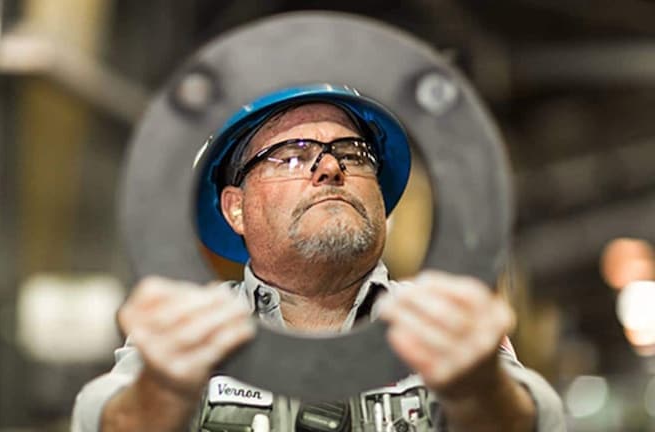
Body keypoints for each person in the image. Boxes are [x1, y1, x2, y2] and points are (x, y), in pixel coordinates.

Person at [72, 84, 565, 431]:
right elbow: (99, 418)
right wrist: (161, 393)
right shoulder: (192, 328)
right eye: (292, 155)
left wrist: (480, 391)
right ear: (236, 208)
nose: (330, 167)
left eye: (352, 153)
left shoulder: (441, 321)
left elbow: (540, 419)